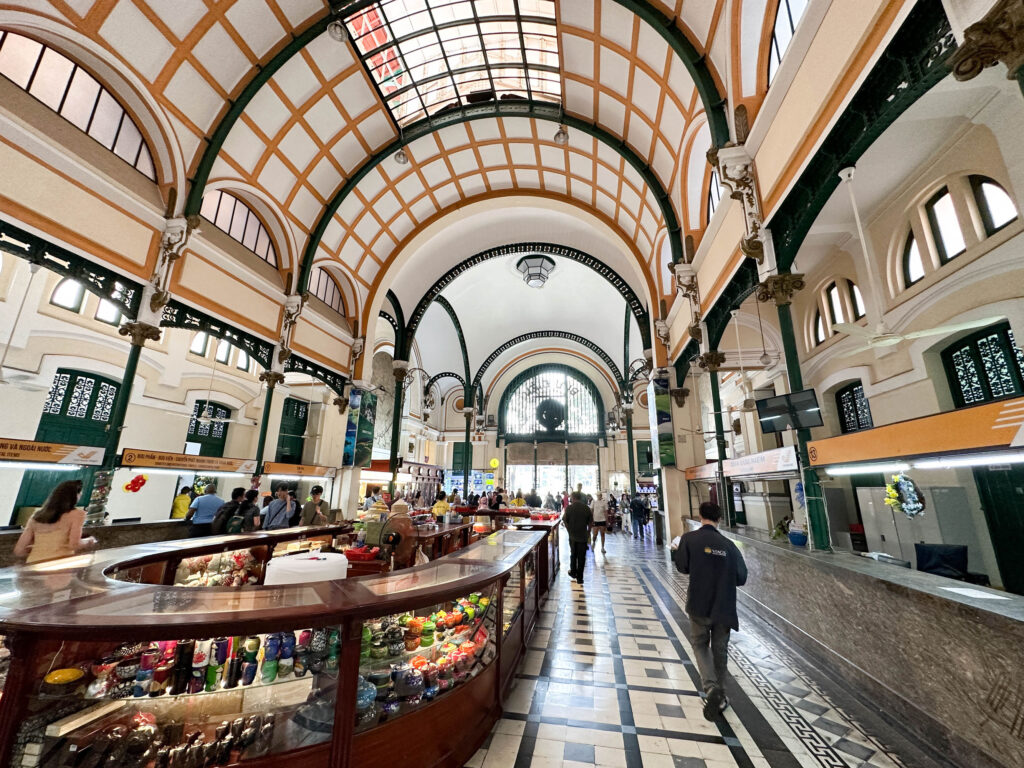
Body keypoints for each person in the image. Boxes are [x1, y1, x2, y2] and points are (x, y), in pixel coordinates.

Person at [672, 501, 748, 721]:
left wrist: (678, 552)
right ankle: (720, 694)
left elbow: (682, 567)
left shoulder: (689, 539)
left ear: (699, 515)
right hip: (724, 605)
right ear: (720, 519)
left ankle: (711, 688)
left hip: (699, 603)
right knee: (720, 649)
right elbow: (741, 578)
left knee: (699, 644)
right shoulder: (730, 545)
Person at [13, 480, 96, 564]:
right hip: (59, 564)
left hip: (34, 563)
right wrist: (89, 540)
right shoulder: (77, 514)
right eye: (80, 493)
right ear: (74, 496)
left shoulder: (36, 516)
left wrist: (41, 548)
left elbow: (19, 550)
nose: (81, 495)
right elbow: (74, 544)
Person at [562, 492, 592, 585]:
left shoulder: (569, 508)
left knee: (573, 554)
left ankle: (573, 572)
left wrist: (569, 530)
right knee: (582, 557)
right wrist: (588, 532)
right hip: (583, 536)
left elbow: (564, 520)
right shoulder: (586, 508)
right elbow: (591, 522)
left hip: (573, 536)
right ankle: (580, 578)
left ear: (574, 498)